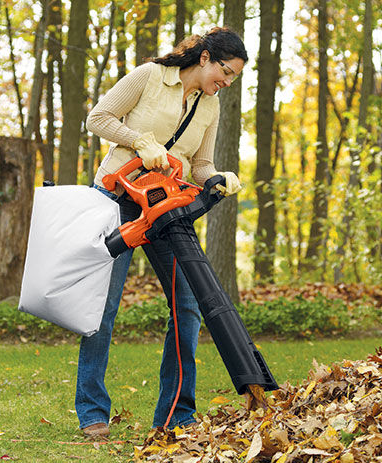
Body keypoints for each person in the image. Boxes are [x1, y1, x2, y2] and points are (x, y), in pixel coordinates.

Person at [75, 27, 248, 438]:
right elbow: (97, 118)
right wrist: (140, 141)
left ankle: (176, 415)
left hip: (169, 208)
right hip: (118, 197)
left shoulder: (211, 105)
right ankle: (92, 409)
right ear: (204, 57)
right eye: (224, 71)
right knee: (105, 306)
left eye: (234, 78)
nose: (226, 82)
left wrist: (218, 177)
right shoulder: (149, 76)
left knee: (187, 308)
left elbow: (200, 163)